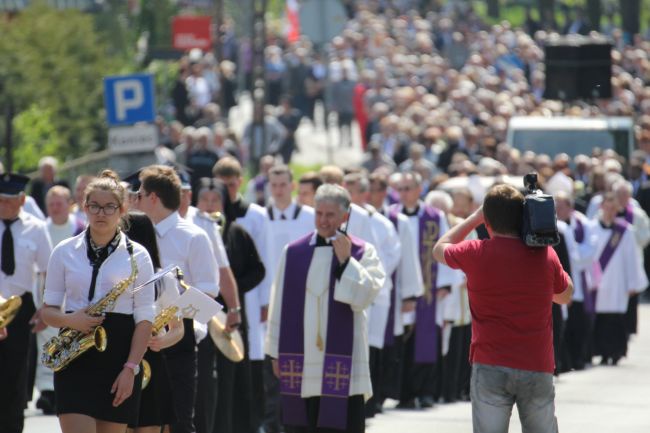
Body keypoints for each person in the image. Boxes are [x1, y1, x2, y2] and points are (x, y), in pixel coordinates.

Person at [433, 184, 573, 433]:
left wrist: (474, 218)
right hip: (536, 362)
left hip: (490, 363)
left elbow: (439, 248)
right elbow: (565, 296)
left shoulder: (474, 252)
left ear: (488, 221)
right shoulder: (545, 255)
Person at [41, 170, 155, 433]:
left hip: (119, 357)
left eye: (109, 207)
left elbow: (145, 318)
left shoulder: (139, 256)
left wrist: (131, 368)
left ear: (122, 209)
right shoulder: (64, 251)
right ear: (84, 207)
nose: (101, 213)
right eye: (94, 206)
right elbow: (48, 311)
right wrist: (71, 320)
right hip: (74, 352)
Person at [266, 184, 385, 433]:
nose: (323, 220)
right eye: (319, 213)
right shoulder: (294, 252)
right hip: (301, 359)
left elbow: (365, 296)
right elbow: (278, 302)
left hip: (343, 362)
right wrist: (275, 352)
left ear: (345, 216)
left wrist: (346, 262)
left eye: (330, 215)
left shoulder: (363, 252)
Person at [136, 165, 220, 433]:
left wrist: (171, 302)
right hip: (141, 335)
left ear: (152, 198)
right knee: (144, 420)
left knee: (180, 421)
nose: (134, 199)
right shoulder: (134, 235)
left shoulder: (193, 236)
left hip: (179, 336)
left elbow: (209, 289)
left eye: (139, 194)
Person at [195, 178, 265, 433]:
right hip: (200, 313)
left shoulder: (236, 232)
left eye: (216, 200)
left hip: (227, 317)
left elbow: (257, 270)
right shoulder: (193, 230)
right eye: (205, 199)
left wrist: (230, 294)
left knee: (227, 378)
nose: (211, 204)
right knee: (202, 378)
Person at [213, 156, 271, 431]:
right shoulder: (208, 218)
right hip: (215, 304)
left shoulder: (253, 215)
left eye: (231, 184)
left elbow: (262, 262)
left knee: (247, 362)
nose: (226, 191)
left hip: (245, 298)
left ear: (240, 182)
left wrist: (263, 301)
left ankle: (251, 421)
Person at [391, 172, 455, 409]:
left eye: (409, 188)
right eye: (401, 188)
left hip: (430, 291)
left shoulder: (434, 217)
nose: (405, 192)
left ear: (420, 190)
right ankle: (405, 393)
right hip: (401, 290)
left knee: (428, 340)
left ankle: (427, 391)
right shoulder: (392, 215)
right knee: (405, 341)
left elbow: (446, 248)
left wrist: (445, 283)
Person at [262, 165, 315, 433]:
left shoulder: (309, 217)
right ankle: (271, 422)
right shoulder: (260, 217)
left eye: (283, 184)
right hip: (266, 301)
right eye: (274, 185)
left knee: (300, 363)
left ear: (292, 186)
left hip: (302, 300)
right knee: (270, 362)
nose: (279, 189)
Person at [0, 173, 52, 433]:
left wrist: (45, 308)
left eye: (9, 200)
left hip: (20, 307)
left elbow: (47, 270)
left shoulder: (36, 227)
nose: (3, 205)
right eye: (0, 200)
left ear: (22, 200)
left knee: (16, 373)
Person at [124, 212, 183, 433]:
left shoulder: (163, 278)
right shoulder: (114, 273)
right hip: (119, 357)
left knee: (149, 424)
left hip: (151, 360)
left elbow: (178, 329)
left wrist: (161, 341)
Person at [35, 186, 84, 415]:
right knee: (47, 342)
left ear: (69, 204)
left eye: (59, 203)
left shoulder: (80, 229)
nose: (55, 208)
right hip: (48, 293)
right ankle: (47, 391)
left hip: (74, 295)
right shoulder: (41, 229)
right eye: (51, 204)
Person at [590, 192, 648, 366]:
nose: (609, 211)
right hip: (597, 281)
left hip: (617, 281)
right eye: (606, 207)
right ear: (601, 208)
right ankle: (600, 351)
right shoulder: (591, 228)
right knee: (600, 318)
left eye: (612, 208)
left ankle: (616, 352)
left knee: (615, 318)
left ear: (617, 210)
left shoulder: (625, 231)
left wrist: (633, 282)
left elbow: (632, 259)